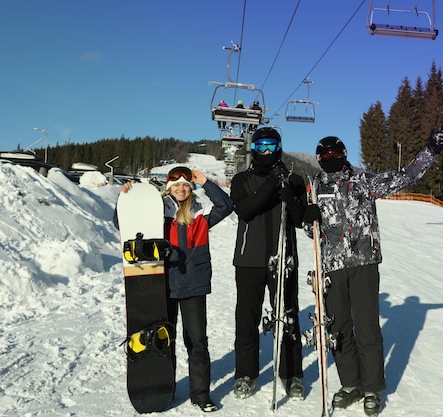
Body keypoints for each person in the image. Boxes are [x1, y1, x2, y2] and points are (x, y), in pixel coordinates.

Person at [303, 127, 443, 416]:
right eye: (325, 154)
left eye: (335, 153)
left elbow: (406, 176)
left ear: (344, 156)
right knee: (338, 326)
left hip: (363, 262)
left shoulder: (362, 181)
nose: (330, 158)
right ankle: (350, 384)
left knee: (367, 325)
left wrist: (431, 150)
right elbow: (313, 233)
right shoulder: (315, 186)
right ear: (319, 158)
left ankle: (371, 388)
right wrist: (308, 221)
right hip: (331, 266)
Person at [118, 166, 233, 413]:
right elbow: (124, 222)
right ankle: (165, 387)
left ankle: (201, 395)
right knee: (163, 340)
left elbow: (226, 206)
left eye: (186, 185)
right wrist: (125, 197)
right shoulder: (157, 212)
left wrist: (205, 182)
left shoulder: (200, 214)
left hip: (193, 286)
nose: (181, 189)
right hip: (163, 285)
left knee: (197, 342)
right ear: (169, 187)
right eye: (176, 185)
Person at [230, 126, 308, 400]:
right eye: (261, 146)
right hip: (250, 259)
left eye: (271, 146)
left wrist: (292, 200)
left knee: (287, 315)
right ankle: (245, 374)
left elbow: (300, 221)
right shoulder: (242, 179)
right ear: (253, 148)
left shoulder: (294, 180)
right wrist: (271, 186)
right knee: (247, 318)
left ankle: (291, 373)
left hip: (283, 257)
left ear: (279, 148)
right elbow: (245, 209)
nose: (266, 151)